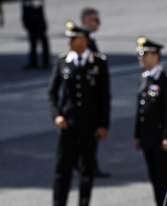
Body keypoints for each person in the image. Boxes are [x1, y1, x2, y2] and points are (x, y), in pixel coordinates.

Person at [48, 21, 111, 206]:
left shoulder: (98, 62)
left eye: (73, 38)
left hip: (90, 126)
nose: (70, 42)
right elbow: (52, 92)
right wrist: (56, 115)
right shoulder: (62, 61)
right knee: (62, 170)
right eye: (69, 38)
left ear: (84, 40)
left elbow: (104, 97)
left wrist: (103, 124)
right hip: (67, 125)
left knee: (86, 171)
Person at [134, 36, 167, 206]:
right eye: (140, 55)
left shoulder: (166, 80)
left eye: (144, 55)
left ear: (155, 56)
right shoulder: (145, 78)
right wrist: (137, 135)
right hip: (147, 138)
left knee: (163, 178)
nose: (141, 59)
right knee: (154, 177)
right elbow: (140, 111)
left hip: (162, 139)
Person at [80, 7, 110, 178]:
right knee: (90, 136)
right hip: (89, 98)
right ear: (84, 21)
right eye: (94, 20)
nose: (97, 24)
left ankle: (86, 165)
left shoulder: (88, 39)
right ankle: (89, 166)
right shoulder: (85, 40)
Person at [21, 0, 50, 70]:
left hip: (37, 11)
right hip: (29, 11)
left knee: (42, 39)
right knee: (32, 40)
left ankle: (45, 62)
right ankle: (33, 62)